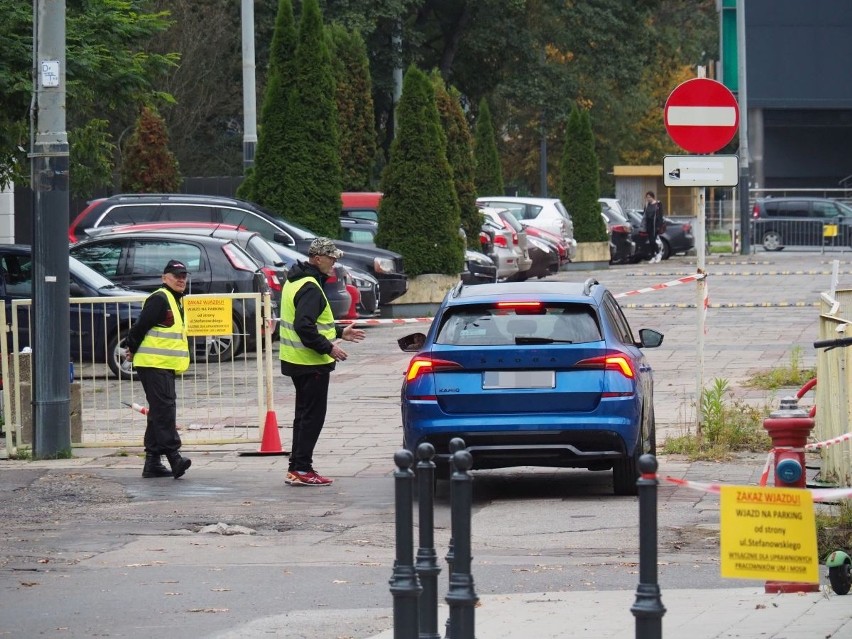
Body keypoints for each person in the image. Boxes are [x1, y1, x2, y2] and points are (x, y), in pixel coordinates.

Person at [280, 237, 365, 487]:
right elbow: (304, 326)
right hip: (310, 362)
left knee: (303, 415)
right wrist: (328, 347)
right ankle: (303, 469)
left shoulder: (295, 281)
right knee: (312, 416)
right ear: (317, 259)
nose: (335, 261)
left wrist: (339, 333)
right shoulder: (310, 287)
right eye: (331, 257)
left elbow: (309, 323)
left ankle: (296, 468)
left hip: (296, 360)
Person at [125, 259, 193, 479]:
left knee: (158, 411)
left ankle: (152, 462)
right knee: (164, 410)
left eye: (184, 276)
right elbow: (140, 326)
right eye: (176, 276)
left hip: (162, 364)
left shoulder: (176, 300)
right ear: (165, 278)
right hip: (152, 364)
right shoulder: (160, 298)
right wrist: (131, 348)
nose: (181, 280)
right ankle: (174, 456)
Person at [643, 191, 664, 263]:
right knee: (650, 241)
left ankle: (658, 254)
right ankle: (653, 256)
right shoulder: (647, 205)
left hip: (655, 225)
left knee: (653, 240)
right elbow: (644, 215)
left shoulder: (658, 204)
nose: (648, 199)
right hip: (649, 225)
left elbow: (660, 215)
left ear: (652, 197)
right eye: (647, 197)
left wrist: (659, 226)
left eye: (649, 197)